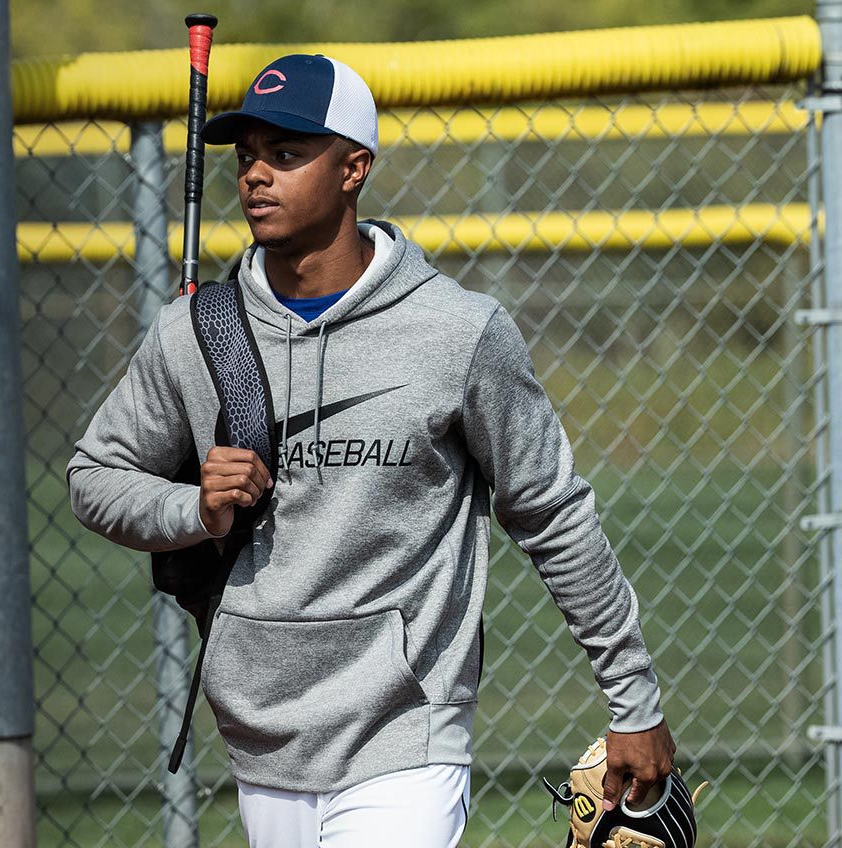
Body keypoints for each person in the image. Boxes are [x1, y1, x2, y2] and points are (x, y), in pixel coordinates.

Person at [66, 53, 676, 847]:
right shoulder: (196, 332)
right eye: (248, 153)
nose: (256, 174)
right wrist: (197, 509)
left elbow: (554, 514)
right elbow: (93, 477)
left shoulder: (457, 332)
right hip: (260, 737)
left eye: (287, 154)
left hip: (405, 735)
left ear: (354, 167)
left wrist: (634, 702)